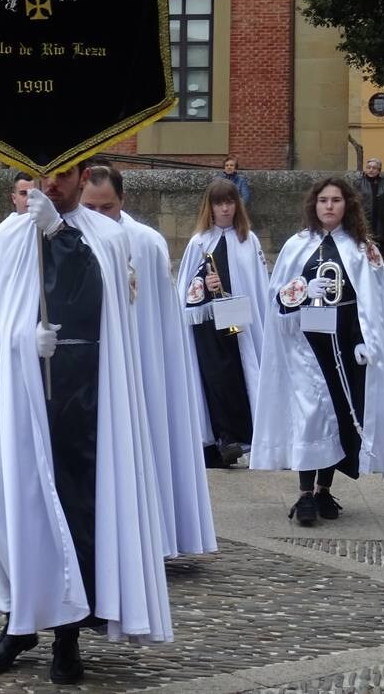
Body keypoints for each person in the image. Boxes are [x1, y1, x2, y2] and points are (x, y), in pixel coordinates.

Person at [0, 175, 172, 684]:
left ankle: (68, 636)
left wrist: (60, 237)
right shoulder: (5, 238)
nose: (51, 186)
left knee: (75, 513)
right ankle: (19, 620)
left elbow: (97, 300)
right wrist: (18, 341)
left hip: (82, 398)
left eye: (62, 176)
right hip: (17, 396)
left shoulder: (105, 235)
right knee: (15, 509)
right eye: (42, 177)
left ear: (80, 178)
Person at [253, 177, 384, 525]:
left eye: (336, 200)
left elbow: (375, 302)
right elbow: (278, 300)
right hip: (307, 347)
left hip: (347, 346)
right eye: (323, 200)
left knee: (340, 417)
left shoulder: (362, 248)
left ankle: (323, 490)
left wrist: (369, 341)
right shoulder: (297, 245)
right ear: (314, 205)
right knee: (311, 417)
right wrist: (304, 288)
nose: (329, 206)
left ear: (347, 205)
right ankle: (304, 494)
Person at [78, 165, 217, 558]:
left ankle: (152, 539)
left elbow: (162, 319)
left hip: (142, 365)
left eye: (107, 208)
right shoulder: (71, 238)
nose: (98, 216)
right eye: (91, 206)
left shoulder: (147, 243)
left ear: (122, 201)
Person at [177, 179, 268, 469]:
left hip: (240, 321)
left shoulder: (248, 240)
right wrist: (203, 281)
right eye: (219, 203)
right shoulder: (199, 242)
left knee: (239, 374)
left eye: (229, 202)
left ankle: (244, 435)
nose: (225, 208)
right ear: (211, 207)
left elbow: (258, 283)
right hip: (209, 325)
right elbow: (185, 289)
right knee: (215, 378)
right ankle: (221, 438)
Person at [359, 158, 384, 250]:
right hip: (365, 219)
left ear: (379, 170)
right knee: (364, 245)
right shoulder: (359, 183)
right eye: (368, 167)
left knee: (380, 247)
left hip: (381, 221)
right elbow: (353, 200)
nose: (371, 170)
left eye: (374, 168)